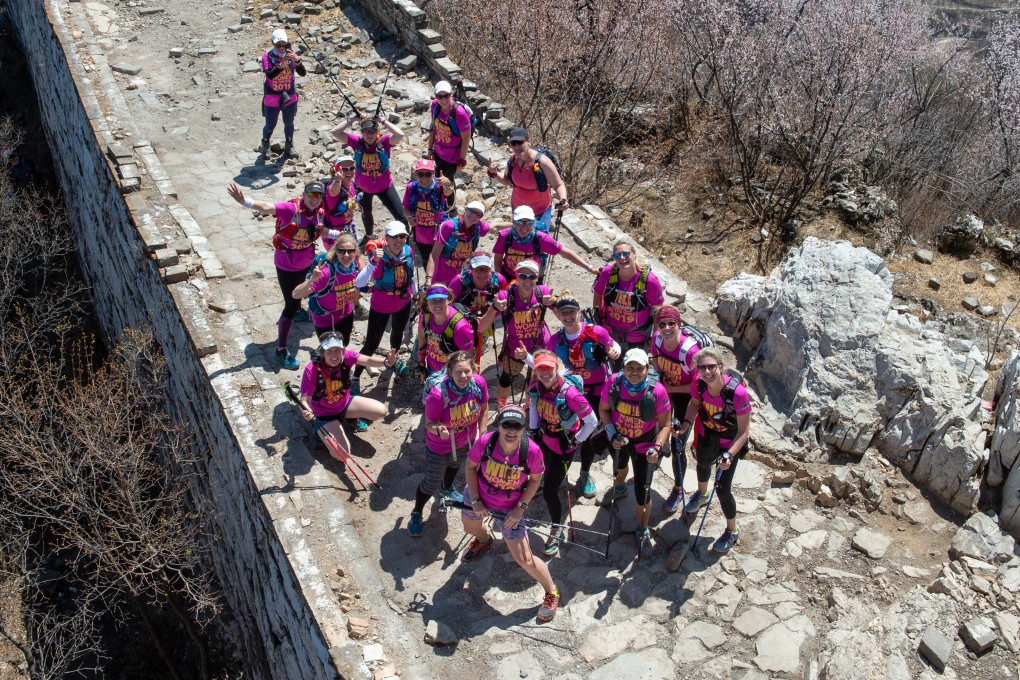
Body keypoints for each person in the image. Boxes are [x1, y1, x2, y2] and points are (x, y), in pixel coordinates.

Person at [461, 405, 561, 623]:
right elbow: (470, 468)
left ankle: (551, 592)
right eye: (507, 424)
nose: (511, 430)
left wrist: (520, 508)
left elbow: (535, 480)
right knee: (469, 525)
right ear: (499, 425)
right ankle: (484, 539)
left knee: (524, 558)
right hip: (479, 495)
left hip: (510, 507)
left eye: (517, 426)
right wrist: (476, 501)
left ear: (524, 428)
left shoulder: (532, 452)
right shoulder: (485, 442)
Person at [227, 181, 324, 370]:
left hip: (305, 263)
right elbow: (266, 207)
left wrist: (338, 235)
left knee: (300, 295)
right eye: (312, 195)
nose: (315, 199)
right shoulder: (290, 210)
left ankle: (298, 312)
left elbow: (321, 231)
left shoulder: (318, 214)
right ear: (304, 194)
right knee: (291, 303)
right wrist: (245, 202)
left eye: (318, 196)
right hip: (286, 265)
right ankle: (281, 350)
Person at [543, 291, 619, 499]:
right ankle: (553, 472)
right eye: (563, 313)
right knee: (561, 430)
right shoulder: (556, 339)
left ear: (578, 313)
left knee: (590, 433)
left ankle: (584, 473)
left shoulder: (597, 332)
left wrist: (614, 352)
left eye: (572, 312)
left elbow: (615, 347)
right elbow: (546, 362)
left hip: (596, 391)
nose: (568, 316)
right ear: (558, 315)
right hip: (569, 394)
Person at [675, 347, 751, 554]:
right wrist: (686, 424)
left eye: (711, 367)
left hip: (730, 440)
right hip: (708, 432)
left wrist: (730, 454)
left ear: (720, 366)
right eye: (702, 368)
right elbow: (694, 403)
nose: (707, 372)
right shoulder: (699, 384)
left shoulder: (738, 393)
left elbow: (744, 431)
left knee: (723, 489)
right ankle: (701, 494)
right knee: (702, 462)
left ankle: (732, 530)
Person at [598, 348, 672, 559]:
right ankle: (619, 488)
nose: (634, 372)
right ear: (623, 368)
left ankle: (642, 529)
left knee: (642, 492)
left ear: (647, 369)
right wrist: (611, 433)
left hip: (644, 445)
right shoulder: (613, 383)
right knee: (619, 469)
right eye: (630, 367)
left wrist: (657, 447)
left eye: (639, 368)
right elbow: (603, 409)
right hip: (619, 440)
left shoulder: (657, 391)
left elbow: (665, 424)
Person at [409, 351, 489, 536]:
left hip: (466, 440)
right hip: (440, 446)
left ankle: (447, 488)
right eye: (458, 372)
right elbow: (429, 423)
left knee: (455, 464)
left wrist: (482, 433)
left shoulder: (478, 384)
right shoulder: (438, 395)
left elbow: (484, 408)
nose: (463, 376)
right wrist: (439, 429)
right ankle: (417, 511)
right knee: (430, 483)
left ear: (473, 370)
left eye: (467, 371)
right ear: (450, 372)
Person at [527, 350, 599, 556]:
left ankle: (556, 529)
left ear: (557, 367)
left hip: (563, 445)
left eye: (549, 368)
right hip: (544, 437)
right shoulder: (536, 387)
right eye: (540, 368)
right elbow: (533, 406)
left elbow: (592, 421)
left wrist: (576, 440)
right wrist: (533, 430)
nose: (545, 372)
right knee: (542, 471)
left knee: (550, 491)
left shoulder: (570, 393)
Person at [352, 220, 415, 398]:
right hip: (381, 305)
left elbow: (411, 277)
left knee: (397, 332)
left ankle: (392, 360)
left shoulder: (408, 252)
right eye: (394, 236)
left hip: (403, 301)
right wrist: (373, 262)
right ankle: (355, 376)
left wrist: (416, 294)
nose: (399, 240)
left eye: (402, 236)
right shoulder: (378, 257)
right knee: (371, 343)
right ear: (386, 238)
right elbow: (359, 283)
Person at [480, 260, 555, 410]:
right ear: (517, 277)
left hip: (540, 346)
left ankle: (528, 406)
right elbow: (481, 327)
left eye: (531, 277)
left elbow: (564, 315)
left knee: (534, 379)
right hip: (516, 348)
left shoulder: (543, 292)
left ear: (537, 277)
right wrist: (494, 308)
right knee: (507, 378)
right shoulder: (506, 296)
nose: (527, 280)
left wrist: (556, 302)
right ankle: (502, 406)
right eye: (523, 276)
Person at [298, 333, 390, 455]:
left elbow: (367, 360)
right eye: (329, 350)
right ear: (322, 352)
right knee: (342, 455)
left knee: (381, 411)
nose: (334, 354)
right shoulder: (312, 370)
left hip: (344, 403)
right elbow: (304, 400)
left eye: (337, 350)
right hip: (323, 414)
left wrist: (386, 362)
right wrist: (306, 411)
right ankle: (320, 429)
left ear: (343, 350)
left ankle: (345, 418)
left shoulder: (347, 357)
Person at [649, 306, 702, 514]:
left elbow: (699, 386)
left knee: (678, 442)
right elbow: (655, 360)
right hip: (667, 388)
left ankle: (678, 488)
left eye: (672, 323)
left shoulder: (690, 352)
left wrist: (667, 388)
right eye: (662, 324)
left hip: (687, 396)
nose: (667, 328)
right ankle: (663, 448)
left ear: (679, 324)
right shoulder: (657, 339)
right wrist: (658, 383)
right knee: (658, 424)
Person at [331, 115, 406, 243]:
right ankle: (369, 236)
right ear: (361, 132)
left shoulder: (385, 142)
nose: (369, 134)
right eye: (365, 131)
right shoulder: (357, 142)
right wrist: (353, 119)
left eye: (372, 131)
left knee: (401, 216)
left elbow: (400, 135)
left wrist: (383, 121)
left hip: (385, 186)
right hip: (363, 187)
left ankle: (405, 241)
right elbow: (335, 132)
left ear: (377, 132)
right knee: (366, 213)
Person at [487, 127, 568, 236]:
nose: (516, 146)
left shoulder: (542, 161)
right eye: (513, 144)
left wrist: (563, 199)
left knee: (540, 242)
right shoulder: (513, 160)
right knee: (520, 240)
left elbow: (558, 184)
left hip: (540, 210)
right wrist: (494, 173)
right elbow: (507, 181)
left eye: (519, 142)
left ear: (528, 141)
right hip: (519, 210)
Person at [492, 206, 596, 284]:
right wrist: (500, 281)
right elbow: (497, 260)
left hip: (531, 280)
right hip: (508, 277)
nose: (524, 227)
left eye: (528, 223)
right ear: (514, 222)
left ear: (533, 222)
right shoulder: (505, 235)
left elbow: (565, 253)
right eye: (520, 222)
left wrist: (589, 268)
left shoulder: (541, 239)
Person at [592, 240, 665, 352]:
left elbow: (658, 311)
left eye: (626, 254)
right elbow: (597, 294)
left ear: (634, 254)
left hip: (637, 337)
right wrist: (597, 322)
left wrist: (655, 338)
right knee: (612, 366)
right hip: (609, 332)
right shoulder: (607, 273)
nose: (622, 258)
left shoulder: (650, 281)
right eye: (617, 255)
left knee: (633, 369)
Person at [292, 233, 364, 345]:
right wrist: (311, 280)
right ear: (336, 252)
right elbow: (295, 295)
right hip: (325, 318)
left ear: (355, 252)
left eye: (350, 251)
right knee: (328, 352)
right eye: (341, 251)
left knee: (344, 345)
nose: (346, 255)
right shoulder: (327, 273)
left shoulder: (354, 265)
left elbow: (364, 277)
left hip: (346, 314)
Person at [416, 283, 477, 397]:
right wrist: (421, 360)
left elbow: (468, 357)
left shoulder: (460, 327)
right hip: (432, 366)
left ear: (448, 300)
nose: (437, 304)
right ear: (427, 303)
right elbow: (422, 337)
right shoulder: (427, 316)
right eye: (433, 300)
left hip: (453, 374)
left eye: (441, 300)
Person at [260, 29, 306, 158]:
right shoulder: (267, 56)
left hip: (289, 96)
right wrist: (281, 65)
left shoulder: (292, 55)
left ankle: (289, 145)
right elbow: (270, 75)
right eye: (278, 45)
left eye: (283, 45)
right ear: (273, 44)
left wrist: (297, 61)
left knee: (289, 122)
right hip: (272, 96)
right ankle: (265, 144)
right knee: (270, 124)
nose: (281, 48)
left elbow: (303, 73)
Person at [426, 80, 473, 206]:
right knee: (440, 179)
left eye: (446, 96)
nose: (443, 100)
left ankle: (450, 208)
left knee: (446, 181)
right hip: (439, 151)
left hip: (453, 156)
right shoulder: (435, 106)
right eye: (439, 96)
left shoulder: (460, 113)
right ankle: (446, 206)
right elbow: (433, 127)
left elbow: (466, 138)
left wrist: (462, 159)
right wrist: (430, 149)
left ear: (451, 94)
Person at [426, 200, 493, 287]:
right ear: (465, 209)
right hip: (440, 279)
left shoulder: (477, 227)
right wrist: (428, 279)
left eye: (478, 214)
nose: (474, 216)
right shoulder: (449, 226)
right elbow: (434, 255)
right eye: (472, 211)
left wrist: (515, 224)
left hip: (460, 281)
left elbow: (495, 227)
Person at [403, 158, 453, 265]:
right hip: (420, 233)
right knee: (426, 260)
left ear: (434, 173)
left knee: (441, 261)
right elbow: (406, 208)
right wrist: (410, 218)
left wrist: (447, 183)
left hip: (439, 232)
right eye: (420, 174)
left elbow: (448, 192)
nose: (424, 178)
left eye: (428, 174)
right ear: (415, 174)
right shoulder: (411, 188)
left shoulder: (440, 187)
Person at [322, 155, 361, 252]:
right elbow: (334, 191)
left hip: (349, 227)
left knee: (352, 256)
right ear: (337, 170)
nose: (349, 171)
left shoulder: (352, 185)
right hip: (335, 233)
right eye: (344, 169)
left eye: (351, 168)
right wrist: (337, 180)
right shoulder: (333, 188)